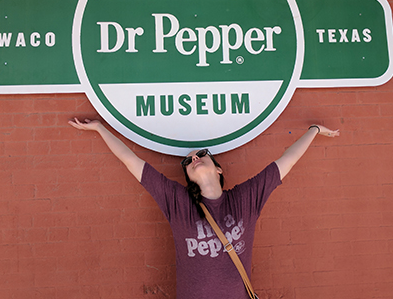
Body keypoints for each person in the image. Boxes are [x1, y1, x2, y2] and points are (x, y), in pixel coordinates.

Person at [69, 118, 339, 299]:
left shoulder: (244, 199)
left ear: (219, 168)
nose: (194, 158)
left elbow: (286, 161)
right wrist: (99, 129)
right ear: (187, 177)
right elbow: (131, 161)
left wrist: (313, 130)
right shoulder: (178, 203)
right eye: (188, 161)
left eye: (201, 155)